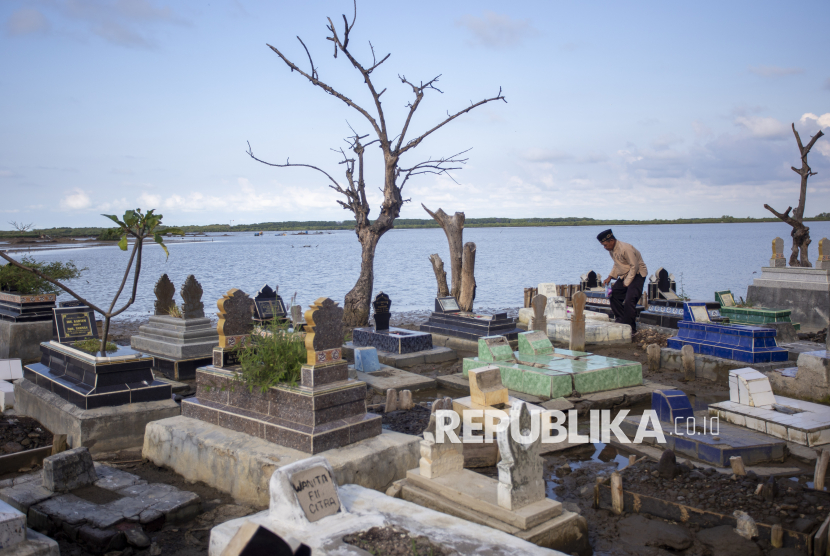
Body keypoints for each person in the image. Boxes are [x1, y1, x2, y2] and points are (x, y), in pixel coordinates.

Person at [597, 229, 647, 333]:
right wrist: (610, 277)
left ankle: (630, 328)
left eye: (605, 245)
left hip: (637, 274)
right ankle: (621, 320)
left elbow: (635, 266)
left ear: (611, 240)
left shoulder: (625, 248)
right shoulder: (612, 251)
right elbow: (617, 264)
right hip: (625, 275)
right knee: (613, 295)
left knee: (630, 300)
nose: (605, 248)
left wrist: (627, 282)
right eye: (603, 245)